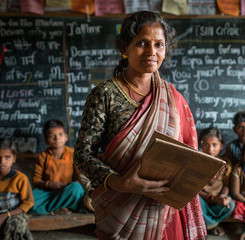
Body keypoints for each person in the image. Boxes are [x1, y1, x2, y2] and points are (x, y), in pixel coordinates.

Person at [73, 11, 206, 239]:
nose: (152, 52)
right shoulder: (104, 94)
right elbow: (82, 156)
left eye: (159, 44)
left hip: (165, 209)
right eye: (142, 43)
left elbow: (188, 153)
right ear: (125, 48)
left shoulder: (174, 99)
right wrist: (120, 183)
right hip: (119, 208)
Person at [29, 119, 86, 215]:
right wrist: (49, 184)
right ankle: (60, 208)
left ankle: (50, 209)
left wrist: (78, 183)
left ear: (66, 137)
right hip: (48, 193)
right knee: (29, 199)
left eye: (60, 134)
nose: (57, 139)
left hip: (66, 191)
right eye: (52, 136)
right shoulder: (43, 156)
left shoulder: (72, 153)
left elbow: (81, 174)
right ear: (46, 140)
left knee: (77, 189)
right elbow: (36, 181)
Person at [198, 127, 235, 236]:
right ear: (200, 145)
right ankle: (213, 225)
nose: (210, 149)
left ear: (221, 145)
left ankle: (207, 223)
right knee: (193, 201)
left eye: (215, 144)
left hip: (218, 201)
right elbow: (195, 190)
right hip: (203, 200)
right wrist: (212, 198)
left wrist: (223, 196)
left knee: (231, 204)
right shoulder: (197, 162)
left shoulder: (226, 164)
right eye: (206, 144)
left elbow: (226, 185)